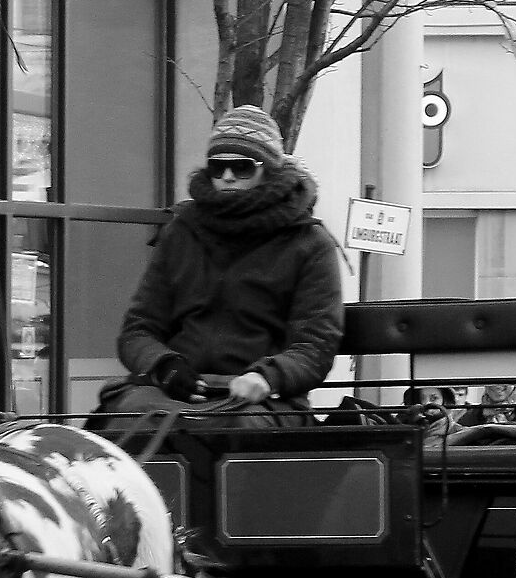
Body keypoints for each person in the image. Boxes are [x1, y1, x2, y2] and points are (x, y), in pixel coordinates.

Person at [108, 103, 345, 421]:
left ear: (268, 169)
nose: (228, 177)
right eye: (217, 167)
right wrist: (164, 365)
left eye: (242, 167)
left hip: (263, 400)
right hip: (174, 393)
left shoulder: (311, 244)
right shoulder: (180, 232)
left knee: (232, 429)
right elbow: (138, 330)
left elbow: (315, 345)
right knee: (122, 421)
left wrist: (267, 377)